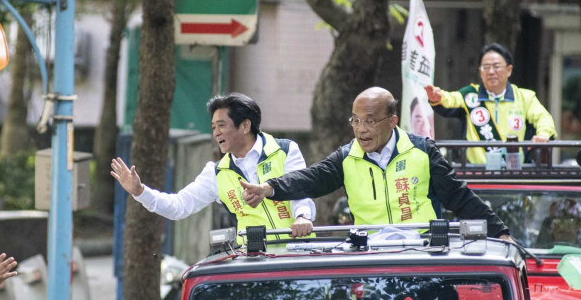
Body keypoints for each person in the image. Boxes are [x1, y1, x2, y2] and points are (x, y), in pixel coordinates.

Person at [238, 87, 510, 239]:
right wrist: (268, 188)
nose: (361, 129)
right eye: (355, 120)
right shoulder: (347, 157)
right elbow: (311, 178)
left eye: (369, 120)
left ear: (392, 121)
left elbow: (459, 197)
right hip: (371, 258)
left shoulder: (422, 151)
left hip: (424, 254)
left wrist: (500, 233)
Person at [110, 93, 315, 240]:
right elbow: (179, 206)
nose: (216, 133)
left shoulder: (285, 151)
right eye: (213, 127)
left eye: (222, 126)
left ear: (245, 126)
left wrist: (302, 217)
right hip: (255, 264)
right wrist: (139, 191)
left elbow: (300, 191)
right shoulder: (216, 173)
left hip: (295, 255)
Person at [425, 43, 557, 164]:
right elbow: (451, 99)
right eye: (486, 67)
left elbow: (543, 118)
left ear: (509, 70)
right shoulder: (470, 95)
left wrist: (543, 135)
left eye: (496, 66)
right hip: (477, 174)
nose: (491, 71)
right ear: (480, 72)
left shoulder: (525, 97)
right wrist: (438, 97)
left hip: (515, 173)